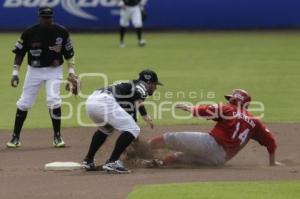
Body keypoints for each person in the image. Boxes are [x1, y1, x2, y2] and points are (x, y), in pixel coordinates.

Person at [147, 89, 282, 167]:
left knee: (170, 138)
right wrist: (272, 162)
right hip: (219, 159)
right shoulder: (254, 121)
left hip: (210, 145)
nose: (229, 101)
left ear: (236, 100)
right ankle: (157, 164)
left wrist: (189, 108)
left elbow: (207, 110)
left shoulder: (229, 108)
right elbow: (271, 142)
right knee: (178, 158)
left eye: (231, 99)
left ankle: (139, 149)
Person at [7, 7, 77, 148]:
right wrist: (15, 73)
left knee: (54, 100)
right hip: (34, 71)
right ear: (39, 17)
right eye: (44, 17)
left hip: (54, 70)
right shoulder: (29, 32)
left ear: (52, 17)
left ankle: (57, 136)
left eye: (49, 17)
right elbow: (19, 53)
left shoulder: (61, 32)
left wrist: (71, 73)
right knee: (24, 102)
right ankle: (15, 137)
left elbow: (69, 54)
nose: (46, 19)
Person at [82, 69, 163, 173]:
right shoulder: (141, 86)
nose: (155, 88)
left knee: (106, 130)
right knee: (133, 129)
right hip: (105, 101)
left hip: (92, 101)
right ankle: (112, 161)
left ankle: (88, 160)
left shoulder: (128, 89)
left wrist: (133, 141)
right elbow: (138, 98)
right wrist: (145, 115)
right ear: (148, 82)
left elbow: (130, 118)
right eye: (155, 84)